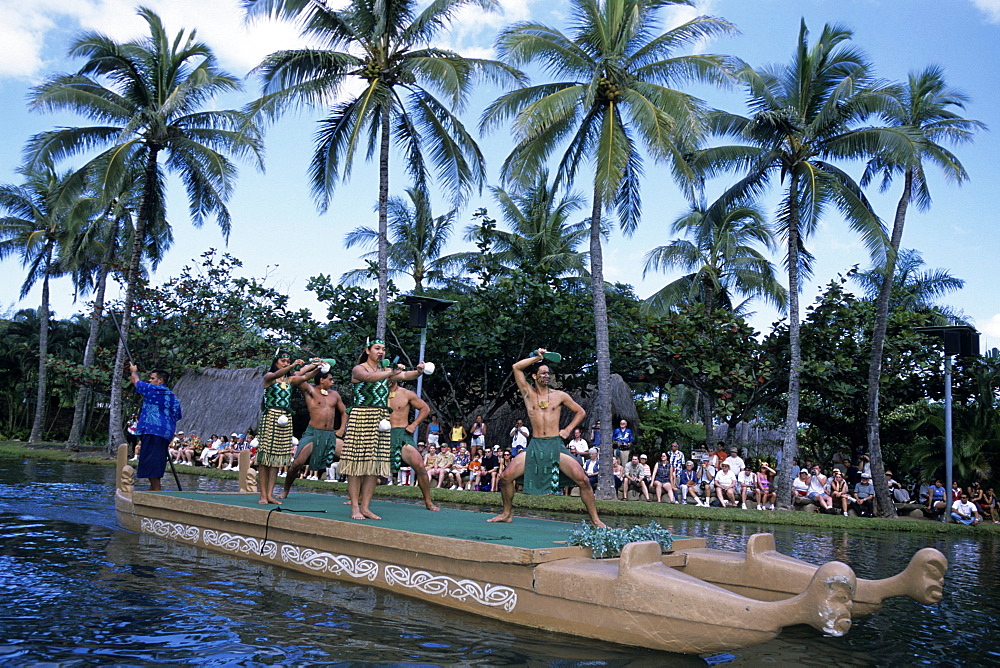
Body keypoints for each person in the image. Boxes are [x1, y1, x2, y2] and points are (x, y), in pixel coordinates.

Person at [489, 350, 605, 527]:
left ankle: (596, 520)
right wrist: (537, 357)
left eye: (548, 373)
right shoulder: (528, 394)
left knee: (583, 480)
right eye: (543, 373)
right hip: (535, 445)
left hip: (554, 445)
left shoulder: (559, 395)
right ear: (534, 376)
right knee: (505, 477)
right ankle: (506, 514)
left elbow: (580, 412)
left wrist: (567, 429)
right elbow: (516, 367)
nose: (546, 376)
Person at [342, 338, 424, 520]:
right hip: (361, 418)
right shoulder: (359, 369)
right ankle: (355, 507)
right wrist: (390, 373)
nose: (381, 352)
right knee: (356, 464)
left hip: (380, 420)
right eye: (377, 348)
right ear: (368, 350)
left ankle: (366, 507)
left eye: (384, 349)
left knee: (374, 465)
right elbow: (368, 378)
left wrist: (418, 372)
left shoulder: (385, 371)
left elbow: (405, 376)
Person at [279, 362, 347, 501]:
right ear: (321, 380)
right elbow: (296, 376)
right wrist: (314, 366)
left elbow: (344, 412)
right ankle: (285, 490)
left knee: (351, 458)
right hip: (313, 433)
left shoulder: (335, 395)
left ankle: (355, 497)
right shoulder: (310, 390)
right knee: (297, 463)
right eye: (330, 379)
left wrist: (341, 429)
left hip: (330, 434)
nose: (332, 382)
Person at [256, 350, 304, 505]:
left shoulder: (288, 380)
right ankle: (263, 495)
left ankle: (270, 494)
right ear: (276, 362)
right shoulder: (269, 377)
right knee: (265, 459)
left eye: (287, 361)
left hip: (285, 418)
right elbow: (277, 375)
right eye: (282, 361)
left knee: (276, 458)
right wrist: (293, 365)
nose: (285, 363)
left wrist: (316, 367)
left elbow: (304, 376)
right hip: (270, 417)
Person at [385, 377, 439, 511]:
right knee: (371, 469)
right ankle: (359, 499)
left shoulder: (406, 394)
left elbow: (425, 408)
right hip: (383, 434)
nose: (389, 380)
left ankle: (428, 501)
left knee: (420, 465)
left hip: (402, 433)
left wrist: (414, 424)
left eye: (392, 377)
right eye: (386, 377)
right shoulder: (378, 394)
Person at [129, 364, 183, 491]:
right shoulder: (173, 397)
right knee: (156, 459)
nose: (150, 380)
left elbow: (135, 381)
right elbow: (177, 415)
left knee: (151, 460)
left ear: (160, 381)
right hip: (165, 433)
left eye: (152, 378)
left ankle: (155, 489)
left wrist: (134, 371)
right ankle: (154, 487)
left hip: (153, 430)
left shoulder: (153, 389)